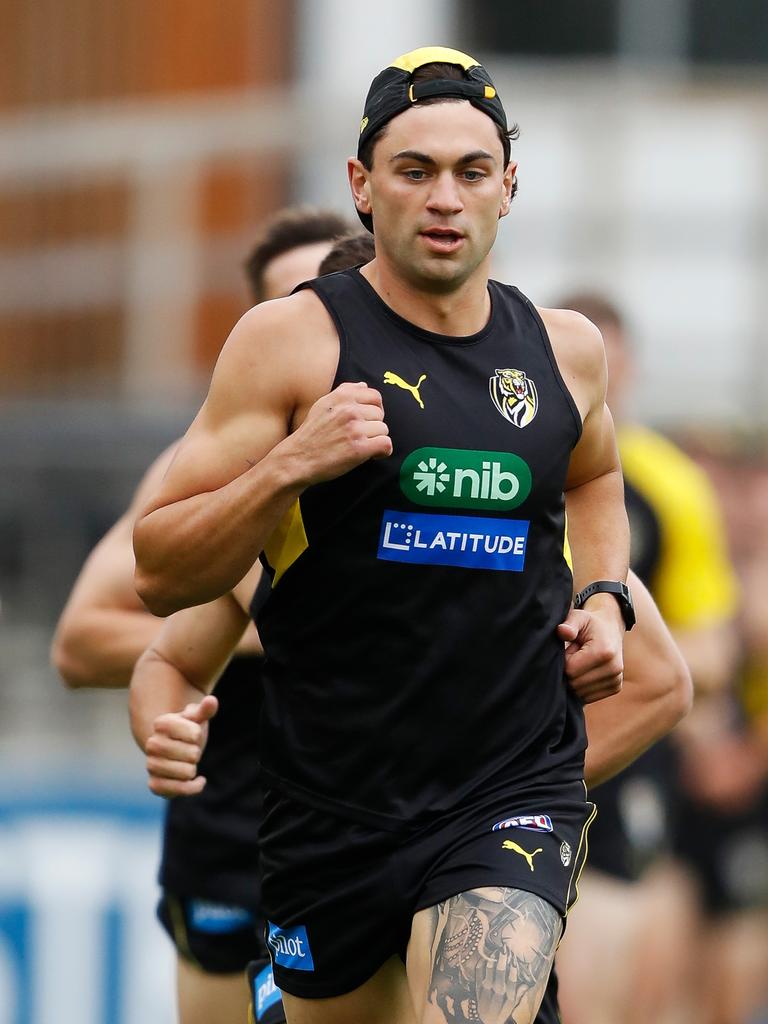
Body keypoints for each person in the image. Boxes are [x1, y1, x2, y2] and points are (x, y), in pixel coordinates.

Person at [132, 45, 645, 1023]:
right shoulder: (291, 342)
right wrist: (289, 465)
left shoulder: (565, 352)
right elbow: (159, 569)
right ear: (364, 187)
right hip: (333, 805)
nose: (445, 197)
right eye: (415, 171)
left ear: (509, 188)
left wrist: (606, 597)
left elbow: (597, 473)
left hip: (512, 783)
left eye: (471, 171)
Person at [50, 206, 353, 1024]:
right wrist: (264, 629)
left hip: (382, 830)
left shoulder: (444, 455)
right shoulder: (207, 472)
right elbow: (81, 643)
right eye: (295, 298)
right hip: (230, 830)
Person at [552, 293, 739, 1024]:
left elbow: (711, 646)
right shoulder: (498, 463)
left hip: (617, 761)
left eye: (608, 362)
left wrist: (611, 643)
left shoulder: (668, 486)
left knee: (596, 981)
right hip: (486, 749)